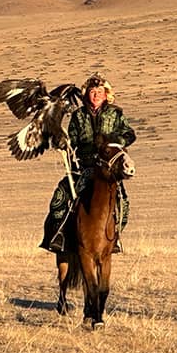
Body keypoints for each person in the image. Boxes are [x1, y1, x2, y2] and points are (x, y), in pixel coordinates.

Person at [41, 74, 136, 254]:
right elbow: (72, 140)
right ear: (87, 95)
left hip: (108, 169)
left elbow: (130, 134)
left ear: (106, 94)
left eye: (100, 91)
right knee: (59, 199)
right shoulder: (78, 115)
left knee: (123, 203)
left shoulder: (116, 114)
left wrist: (115, 141)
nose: (96, 95)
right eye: (92, 92)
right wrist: (64, 144)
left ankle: (114, 238)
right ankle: (57, 236)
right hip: (85, 167)